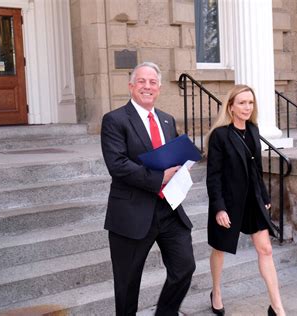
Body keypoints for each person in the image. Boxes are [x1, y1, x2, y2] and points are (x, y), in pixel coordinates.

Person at [100, 61, 196, 316]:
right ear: (131, 86)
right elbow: (117, 165)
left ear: (159, 88)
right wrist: (159, 177)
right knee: (127, 284)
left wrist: (182, 168)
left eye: (152, 82)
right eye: (141, 81)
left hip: (168, 210)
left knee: (184, 267)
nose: (147, 86)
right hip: (132, 212)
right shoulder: (114, 120)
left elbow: (172, 156)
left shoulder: (167, 120)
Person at [205, 85, 286, 316]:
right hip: (228, 203)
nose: (247, 107)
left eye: (250, 102)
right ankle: (217, 291)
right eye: (241, 103)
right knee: (220, 249)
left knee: (266, 249)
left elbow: (256, 169)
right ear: (230, 106)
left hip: (252, 200)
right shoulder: (220, 135)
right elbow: (214, 176)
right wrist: (219, 208)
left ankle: (277, 307)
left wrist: (264, 195)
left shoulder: (252, 130)